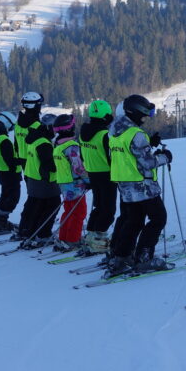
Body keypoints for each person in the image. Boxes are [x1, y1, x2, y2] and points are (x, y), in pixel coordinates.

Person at [105, 95, 173, 277]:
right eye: (144, 114)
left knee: (133, 221)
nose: (146, 118)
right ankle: (144, 258)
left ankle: (121, 257)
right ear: (134, 112)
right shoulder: (137, 134)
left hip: (125, 184)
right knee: (158, 218)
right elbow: (147, 162)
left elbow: (127, 153)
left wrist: (148, 144)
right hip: (142, 184)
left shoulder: (113, 131)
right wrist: (165, 157)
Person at [78, 99, 117, 256]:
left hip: (93, 173)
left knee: (98, 206)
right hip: (107, 174)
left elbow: (82, 155)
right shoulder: (104, 135)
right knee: (108, 210)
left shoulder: (83, 133)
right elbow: (111, 157)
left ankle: (91, 237)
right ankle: (99, 241)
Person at [15, 114, 60, 247]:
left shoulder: (34, 138)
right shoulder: (43, 143)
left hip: (33, 178)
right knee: (53, 205)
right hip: (44, 181)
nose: (56, 131)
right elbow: (50, 166)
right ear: (49, 127)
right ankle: (43, 234)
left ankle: (30, 231)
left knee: (36, 207)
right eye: (54, 128)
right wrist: (63, 163)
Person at [51, 114, 89, 252]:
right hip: (75, 184)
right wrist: (88, 180)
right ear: (69, 128)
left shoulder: (57, 145)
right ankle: (73, 240)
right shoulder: (71, 146)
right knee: (79, 213)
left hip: (63, 183)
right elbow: (78, 167)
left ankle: (64, 237)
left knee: (69, 211)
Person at [14, 92, 44, 169]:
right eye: (39, 104)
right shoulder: (37, 126)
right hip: (35, 161)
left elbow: (16, 145)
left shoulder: (17, 124)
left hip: (23, 160)